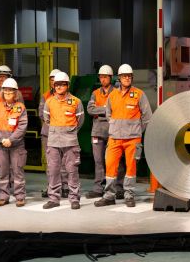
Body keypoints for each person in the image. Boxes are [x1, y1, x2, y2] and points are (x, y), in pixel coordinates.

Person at [95, 64, 152, 208]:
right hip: (114, 138)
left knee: (131, 167)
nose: (127, 78)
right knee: (110, 166)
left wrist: (136, 131)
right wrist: (116, 128)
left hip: (133, 139)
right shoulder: (112, 95)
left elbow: (147, 117)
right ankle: (109, 196)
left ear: (132, 78)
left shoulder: (139, 94)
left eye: (129, 76)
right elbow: (108, 114)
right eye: (124, 76)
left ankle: (129, 195)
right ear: (119, 78)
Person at [42, 71, 84, 209]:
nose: (59, 87)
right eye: (57, 84)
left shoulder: (76, 101)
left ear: (67, 85)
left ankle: (74, 198)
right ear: (54, 86)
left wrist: (69, 131)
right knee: (53, 170)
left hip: (70, 141)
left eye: (62, 84)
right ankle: (54, 199)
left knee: (72, 171)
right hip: (53, 141)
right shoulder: (49, 102)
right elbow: (47, 120)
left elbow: (80, 121)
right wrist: (57, 131)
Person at [85, 65, 125, 199]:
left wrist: (101, 109)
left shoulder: (117, 92)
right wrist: (107, 109)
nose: (103, 79)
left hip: (113, 132)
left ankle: (118, 188)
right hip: (97, 132)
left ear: (111, 78)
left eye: (105, 77)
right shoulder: (95, 93)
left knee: (116, 161)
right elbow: (90, 109)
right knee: (98, 161)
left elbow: (117, 108)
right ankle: (98, 189)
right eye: (101, 77)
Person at [0, 78, 28, 207]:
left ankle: (20, 197)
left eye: (10, 91)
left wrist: (11, 140)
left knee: (17, 171)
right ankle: (4, 197)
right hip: (0, 145)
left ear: (16, 93)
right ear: (2, 92)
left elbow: (22, 127)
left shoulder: (20, 107)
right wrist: (2, 139)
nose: (8, 93)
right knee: (2, 172)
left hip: (16, 145)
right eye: (5, 90)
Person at [38, 68, 69, 198]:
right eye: (51, 80)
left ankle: (65, 187)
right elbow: (42, 114)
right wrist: (55, 123)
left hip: (64, 133)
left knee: (65, 161)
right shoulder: (45, 96)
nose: (53, 82)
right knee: (51, 162)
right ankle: (51, 186)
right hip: (48, 133)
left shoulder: (69, 97)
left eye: (55, 80)